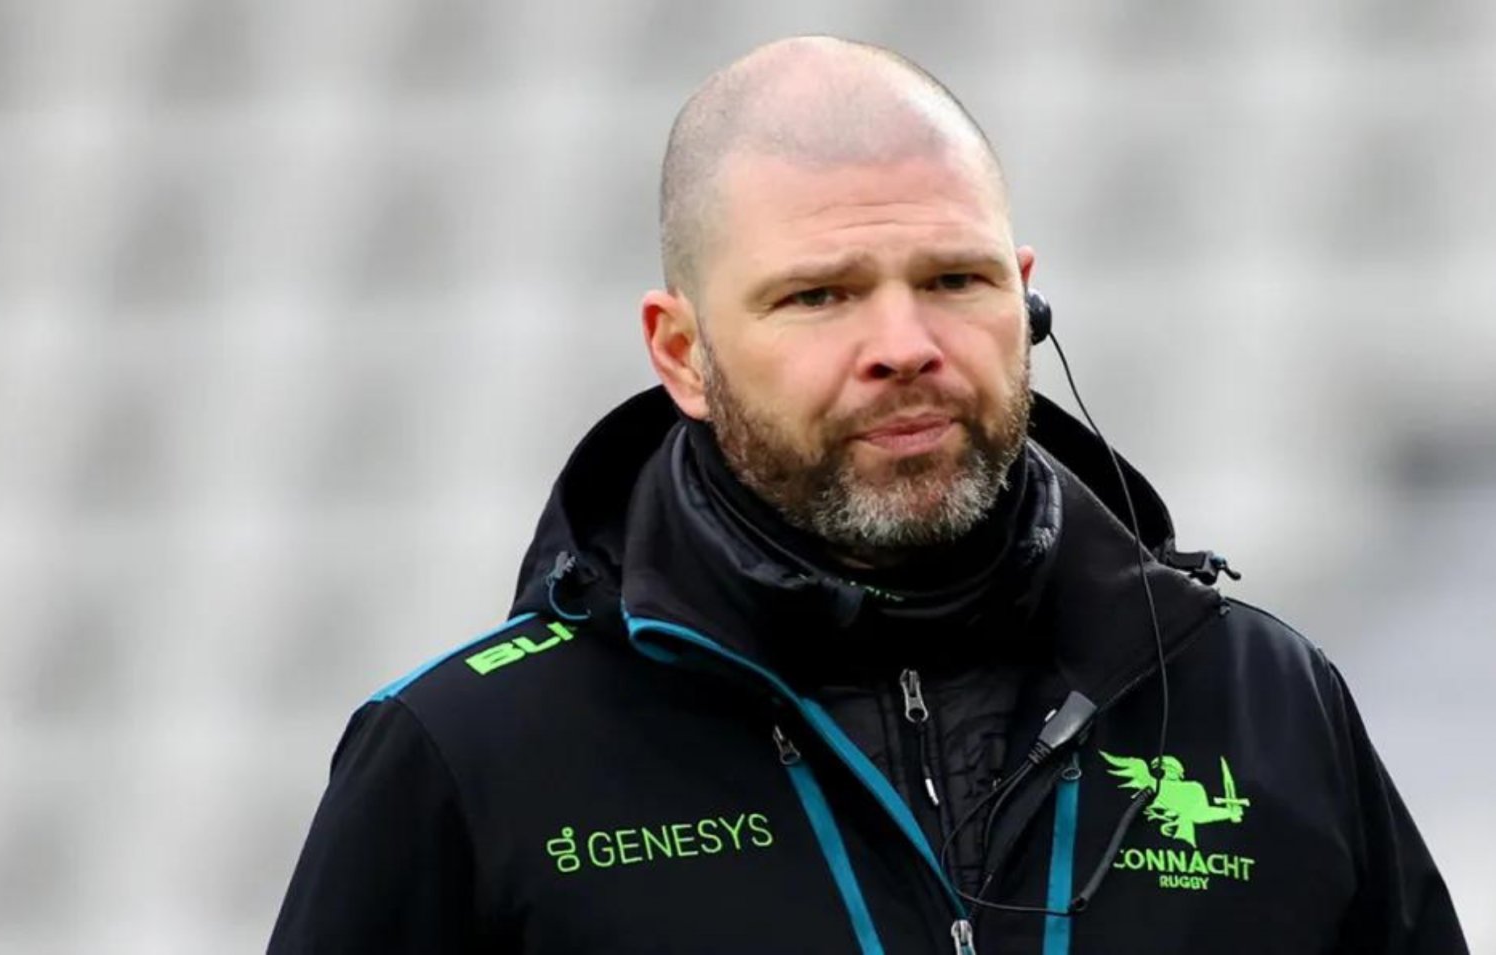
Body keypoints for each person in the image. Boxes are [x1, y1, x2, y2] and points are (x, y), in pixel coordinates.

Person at [267, 36, 1468, 955]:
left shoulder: (1263, 702)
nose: (904, 344)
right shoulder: (468, 753)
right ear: (682, 352)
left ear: (1026, 299)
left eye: (954, 279)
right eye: (819, 296)